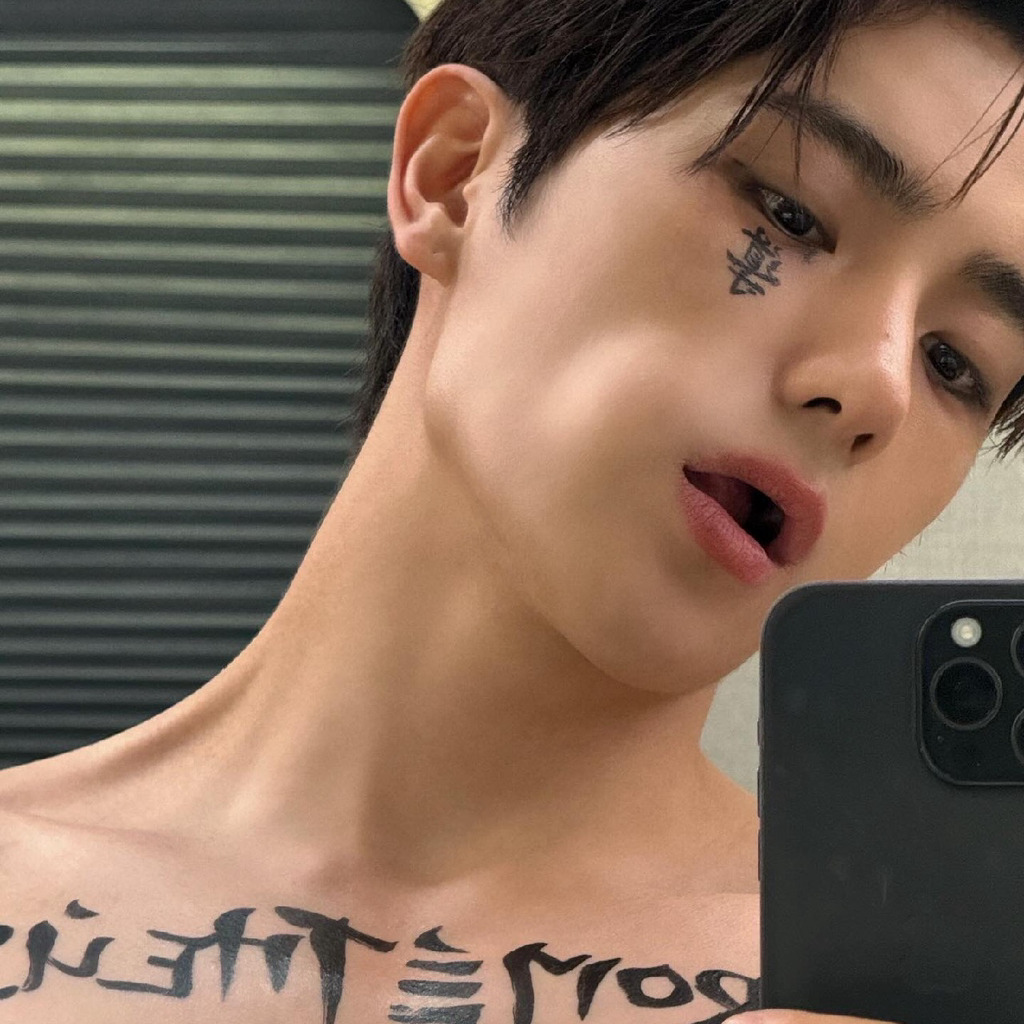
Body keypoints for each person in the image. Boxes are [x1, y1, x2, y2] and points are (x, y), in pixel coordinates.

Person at [2, 0, 1024, 1021]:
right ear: (453, 174)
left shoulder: (915, 993)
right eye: (790, 215)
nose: (877, 388)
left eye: (955, 362)